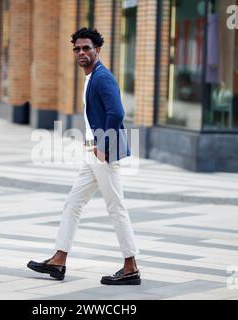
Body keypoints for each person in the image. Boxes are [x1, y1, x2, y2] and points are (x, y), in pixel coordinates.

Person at [27, 27, 140, 285]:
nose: (81, 53)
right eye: (77, 49)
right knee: (73, 203)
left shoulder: (102, 78)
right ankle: (59, 260)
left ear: (97, 50)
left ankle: (131, 266)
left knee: (116, 208)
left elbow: (117, 113)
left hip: (103, 154)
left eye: (86, 48)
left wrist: (103, 146)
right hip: (93, 154)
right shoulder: (91, 77)